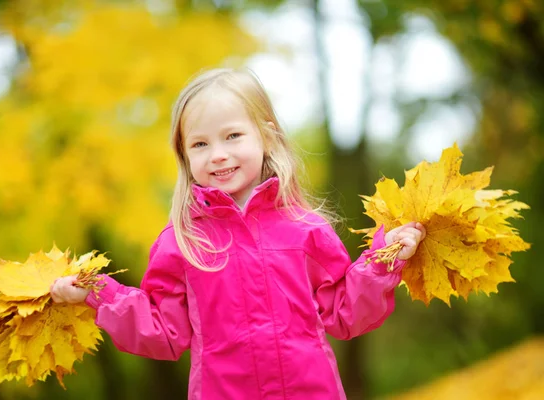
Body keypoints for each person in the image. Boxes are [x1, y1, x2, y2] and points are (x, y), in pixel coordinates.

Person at [50, 68, 426, 400]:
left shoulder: (305, 229)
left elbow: (347, 314)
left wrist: (383, 259)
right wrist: (98, 293)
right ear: (185, 156)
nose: (217, 154)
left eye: (232, 136)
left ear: (265, 136)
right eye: (200, 144)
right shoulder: (183, 243)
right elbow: (163, 332)